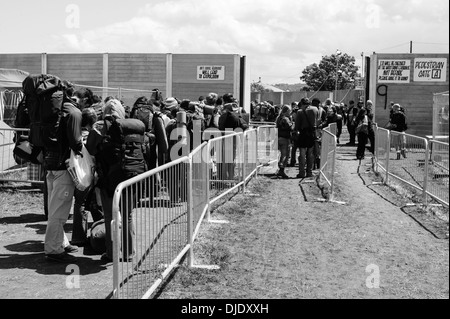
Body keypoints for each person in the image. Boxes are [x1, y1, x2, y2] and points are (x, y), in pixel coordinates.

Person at [86, 99, 141, 263]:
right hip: (131, 176)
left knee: (110, 216)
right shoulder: (131, 127)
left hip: (108, 179)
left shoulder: (100, 127)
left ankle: (111, 253)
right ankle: (129, 252)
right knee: (127, 216)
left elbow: (90, 149)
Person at [43, 85, 84, 263]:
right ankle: (52, 249)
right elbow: (75, 142)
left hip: (50, 165)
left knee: (54, 209)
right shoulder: (72, 112)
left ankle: (62, 242)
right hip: (64, 167)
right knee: (58, 213)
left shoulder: (49, 111)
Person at [70, 107, 104, 247]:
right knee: (96, 202)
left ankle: (79, 237)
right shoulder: (94, 134)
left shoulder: (76, 135)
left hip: (79, 173)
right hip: (94, 172)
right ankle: (101, 232)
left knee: (80, 202)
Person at [295, 98, 319, 178]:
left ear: (302, 103)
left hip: (303, 134)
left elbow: (297, 125)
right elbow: (318, 120)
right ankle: (309, 172)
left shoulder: (300, 112)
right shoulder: (315, 109)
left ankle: (302, 173)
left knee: (302, 155)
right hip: (312, 133)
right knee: (310, 154)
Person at [275, 105, 294, 178]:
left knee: (282, 154)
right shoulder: (286, 119)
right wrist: (292, 123)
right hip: (285, 138)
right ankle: (281, 170)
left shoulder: (278, 118)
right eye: (289, 111)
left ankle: (280, 169)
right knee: (285, 155)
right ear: (286, 111)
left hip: (279, 137)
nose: (290, 112)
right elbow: (290, 127)